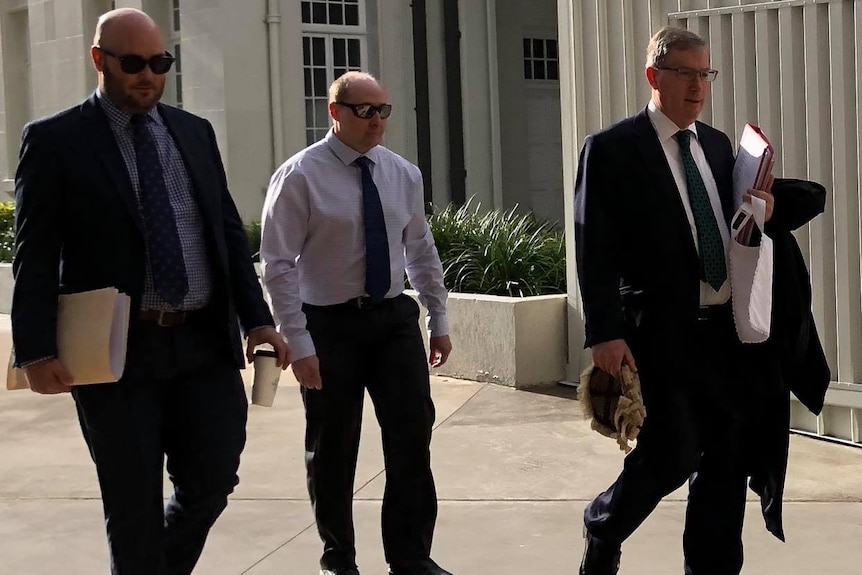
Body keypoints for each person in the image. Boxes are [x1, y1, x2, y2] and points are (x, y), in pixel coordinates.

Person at [11, 8, 289, 575]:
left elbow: (225, 233)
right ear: (100, 60)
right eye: (133, 63)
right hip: (115, 355)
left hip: (204, 346)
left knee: (212, 480)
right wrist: (35, 350)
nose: (149, 75)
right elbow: (34, 255)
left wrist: (257, 318)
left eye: (160, 62)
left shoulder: (193, 132)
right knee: (132, 503)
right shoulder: (55, 141)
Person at [573, 26, 778, 574]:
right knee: (671, 453)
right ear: (654, 77)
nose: (697, 86)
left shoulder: (715, 146)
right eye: (684, 74)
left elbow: (728, 231)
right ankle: (604, 526)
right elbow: (594, 246)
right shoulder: (613, 149)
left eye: (704, 74)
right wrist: (604, 332)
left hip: (722, 334)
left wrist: (761, 213)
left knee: (726, 461)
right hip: (656, 333)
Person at [260, 71, 453, 575]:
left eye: (383, 110)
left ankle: (411, 557)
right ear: (335, 112)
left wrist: (437, 316)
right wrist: (298, 343)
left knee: (412, 436)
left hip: (391, 320)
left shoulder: (401, 173)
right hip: (328, 325)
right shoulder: (300, 175)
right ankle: (338, 559)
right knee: (333, 445)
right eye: (364, 110)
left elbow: (420, 247)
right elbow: (278, 264)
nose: (376, 121)